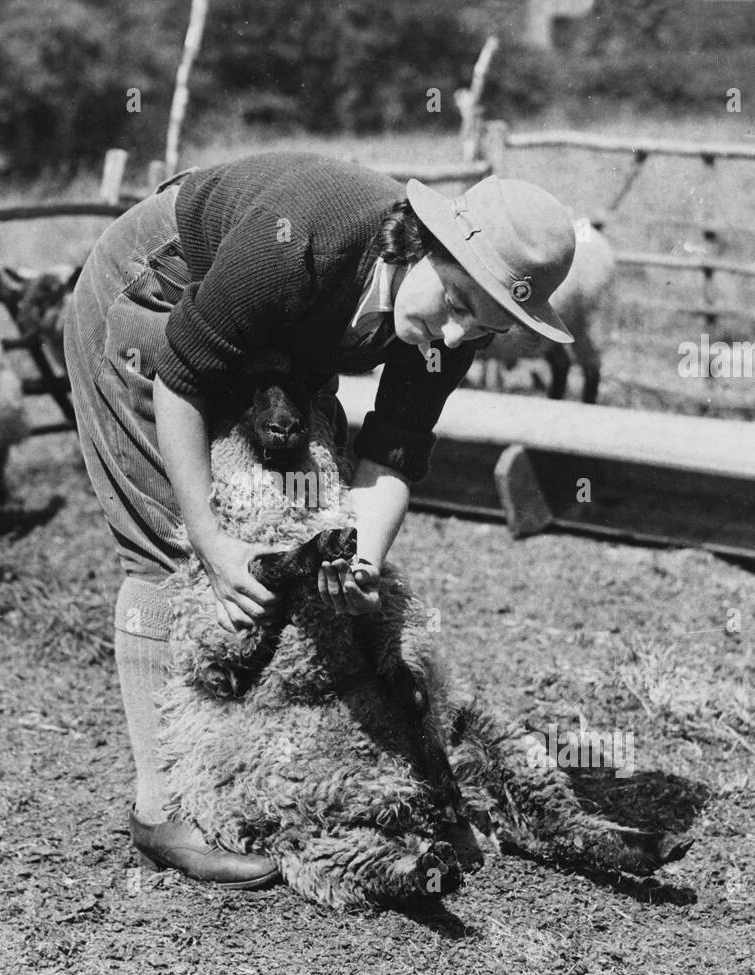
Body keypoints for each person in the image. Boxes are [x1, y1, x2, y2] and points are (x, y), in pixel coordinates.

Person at [62, 151, 576, 888]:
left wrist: (357, 562)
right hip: (153, 299)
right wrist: (210, 538)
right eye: (459, 305)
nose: (459, 338)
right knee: (168, 549)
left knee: (304, 520)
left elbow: (395, 450)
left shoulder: (451, 323)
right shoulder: (302, 241)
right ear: (422, 242)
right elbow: (182, 375)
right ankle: (162, 809)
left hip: (272, 339)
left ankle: (251, 771)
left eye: (486, 328)